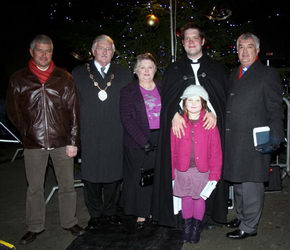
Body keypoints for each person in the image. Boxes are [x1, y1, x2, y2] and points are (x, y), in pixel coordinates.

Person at [6, 34, 84, 245]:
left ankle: (69, 222)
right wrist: (27, 131)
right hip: (34, 143)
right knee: (34, 188)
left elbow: (74, 111)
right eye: (39, 50)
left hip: (62, 141)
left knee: (67, 186)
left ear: (52, 53)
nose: (44, 54)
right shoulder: (19, 79)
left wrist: (73, 141)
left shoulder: (64, 77)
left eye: (48, 50)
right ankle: (34, 226)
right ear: (31, 52)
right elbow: (13, 111)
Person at [152, 22, 228, 228]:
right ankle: (182, 218)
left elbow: (223, 103)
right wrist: (174, 114)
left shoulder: (217, 68)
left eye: (195, 38)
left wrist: (215, 115)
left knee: (210, 170)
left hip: (209, 131)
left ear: (203, 41)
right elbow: (168, 101)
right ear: (183, 43)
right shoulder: (174, 69)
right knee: (182, 175)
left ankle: (210, 216)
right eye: (187, 39)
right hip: (182, 131)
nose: (191, 42)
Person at [223, 32, 284, 239]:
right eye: (240, 47)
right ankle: (242, 216)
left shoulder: (267, 74)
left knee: (251, 183)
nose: (244, 51)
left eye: (249, 46)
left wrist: (275, 137)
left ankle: (249, 226)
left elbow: (275, 108)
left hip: (254, 139)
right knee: (239, 181)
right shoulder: (234, 73)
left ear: (257, 50)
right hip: (234, 137)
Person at [72, 35, 132, 229]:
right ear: (93, 51)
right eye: (100, 48)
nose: (105, 52)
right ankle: (95, 215)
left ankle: (111, 211)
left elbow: (132, 104)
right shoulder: (78, 73)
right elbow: (71, 107)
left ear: (113, 52)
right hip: (89, 133)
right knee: (91, 176)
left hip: (116, 132)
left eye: (109, 49)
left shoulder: (124, 73)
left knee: (114, 175)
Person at [171, 85, 222, 243]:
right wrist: (172, 172)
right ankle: (188, 226)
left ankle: (196, 228)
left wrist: (215, 174)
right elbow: (172, 149)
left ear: (204, 104)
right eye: (190, 100)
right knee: (186, 197)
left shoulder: (210, 124)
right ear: (184, 103)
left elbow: (216, 151)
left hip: (202, 171)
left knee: (199, 199)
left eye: (197, 100)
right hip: (183, 170)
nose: (193, 103)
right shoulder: (177, 123)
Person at [120, 53, 161, 229]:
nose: (146, 70)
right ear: (136, 70)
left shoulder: (162, 87)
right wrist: (143, 142)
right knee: (139, 179)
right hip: (137, 141)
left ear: (155, 70)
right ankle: (141, 214)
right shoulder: (128, 91)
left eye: (150, 67)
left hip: (160, 137)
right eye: (142, 67)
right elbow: (126, 119)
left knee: (156, 177)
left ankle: (155, 210)